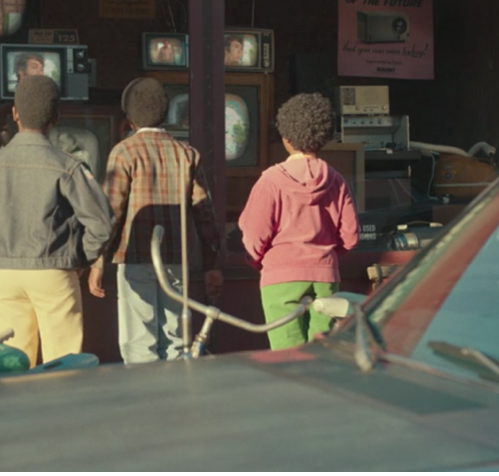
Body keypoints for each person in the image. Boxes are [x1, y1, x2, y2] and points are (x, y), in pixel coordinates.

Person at [0, 75, 113, 367]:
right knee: (63, 366)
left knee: (10, 363)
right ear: (56, 117)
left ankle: (15, 413)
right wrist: (78, 260)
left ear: (14, 114)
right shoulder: (68, 167)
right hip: (55, 272)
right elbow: (102, 224)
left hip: (6, 275)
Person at [90, 77, 223, 363]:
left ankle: (148, 406)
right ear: (166, 114)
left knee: (139, 344)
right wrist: (212, 265)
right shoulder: (186, 154)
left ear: (129, 118)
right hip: (176, 260)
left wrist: (97, 261)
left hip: (134, 259)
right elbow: (205, 214)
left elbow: (109, 213)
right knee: (176, 342)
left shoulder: (124, 152)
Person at [239, 93, 358, 350]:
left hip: (280, 279)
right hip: (325, 277)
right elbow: (351, 236)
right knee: (323, 355)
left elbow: (253, 235)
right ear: (323, 137)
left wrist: (259, 262)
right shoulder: (337, 181)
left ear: (285, 137)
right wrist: (326, 257)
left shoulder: (270, 181)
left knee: (288, 358)